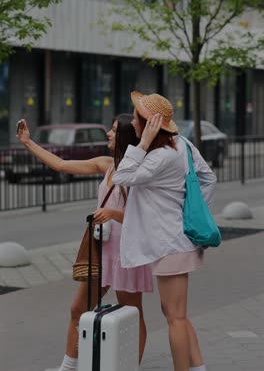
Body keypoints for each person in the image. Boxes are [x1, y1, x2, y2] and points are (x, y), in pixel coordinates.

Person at [16, 114, 153, 371]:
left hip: (127, 253)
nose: (108, 134)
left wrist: (113, 214)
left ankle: (132, 366)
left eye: (113, 130)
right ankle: (68, 367)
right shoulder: (106, 165)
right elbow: (61, 165)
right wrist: (28, 142)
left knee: (133, 313)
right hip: (101, 251)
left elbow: (144, 220)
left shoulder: (138, 174)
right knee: (78, 309)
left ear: (126, 136)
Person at [113, 92, 217, 371]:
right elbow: (208, 178)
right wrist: (192, 213)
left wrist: (143, 143)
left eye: (136, 118)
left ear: (149, 124)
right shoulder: (182, 145)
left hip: (170, 243)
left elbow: (121, 176)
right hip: (175, 241)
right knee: (175, 314)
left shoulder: (160, 157)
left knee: (175, 317)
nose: (133, 123)